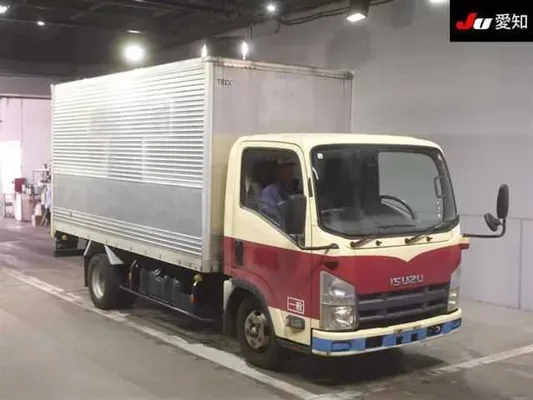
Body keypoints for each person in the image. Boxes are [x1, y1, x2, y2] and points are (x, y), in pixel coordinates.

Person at [258, 159, 297, 230]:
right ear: (278, 172)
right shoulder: (269, 191)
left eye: (292, 171)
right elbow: (270, 216)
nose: (292, 174)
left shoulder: (288, 189)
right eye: (288, 171)